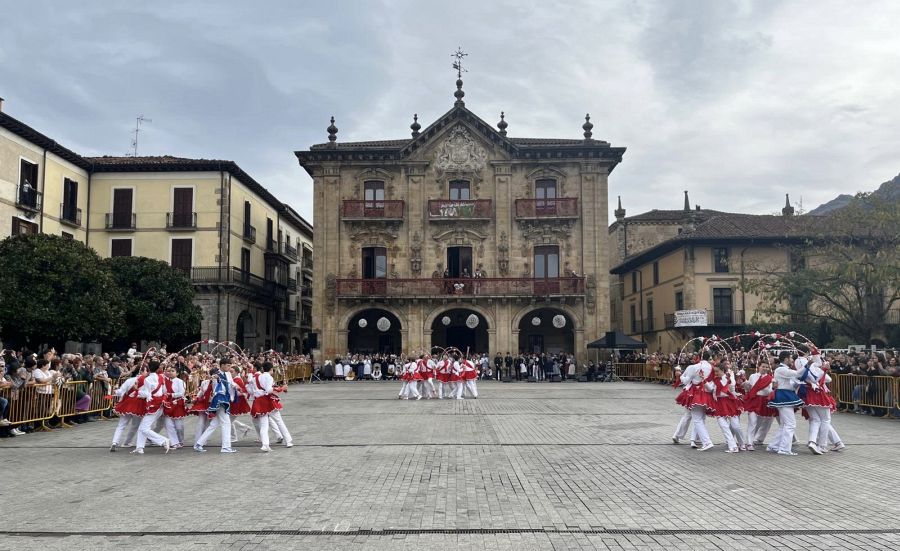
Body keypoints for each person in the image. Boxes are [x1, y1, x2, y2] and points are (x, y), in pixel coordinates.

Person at [767, 351, 805, 456]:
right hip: (783, 396)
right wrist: (807, 365)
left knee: (785, 424)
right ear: (786, 359)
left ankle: (774, 445)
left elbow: (790, 382)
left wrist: (796, 385)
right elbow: (796, 373)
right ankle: (784, 448)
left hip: (785, 395)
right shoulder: (781, 369)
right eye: (791, 358)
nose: (792, 361)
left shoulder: (783, 369)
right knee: (790, 424)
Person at [251, 362, 293, 452]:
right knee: (279, 421)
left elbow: (267, 387)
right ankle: (288, 441)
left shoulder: (259, 376)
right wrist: (282, 388)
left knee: (264, 424)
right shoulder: (269, 377)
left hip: (260, 401)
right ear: (271, 369)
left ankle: (265, 444)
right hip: (267, 401)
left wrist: (280, 388)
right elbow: (269, 390)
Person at [194, 366, 236, 453]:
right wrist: (216, 377)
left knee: (214, 424)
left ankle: (199, 443)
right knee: (226, 423)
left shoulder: (226, 375)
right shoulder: (216, 378)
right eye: (227, 364)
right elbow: (216, 386)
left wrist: (233, 386)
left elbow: (228, 386)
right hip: (220, 400)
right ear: (223, 365)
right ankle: (226, 447)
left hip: (223, 399)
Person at [133, 361, 171, 455]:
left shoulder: (147, 379)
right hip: (161, 404)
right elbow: (165, 391)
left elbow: (146, 394)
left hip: (152, 405)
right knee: (143, 426)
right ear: (158, 368)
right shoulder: (162, 377)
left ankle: (163, 440)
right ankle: (140, 447)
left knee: (144, 428)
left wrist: (136, 388)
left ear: (149, 368)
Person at [162, 366, 188, 449]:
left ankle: (180, 441)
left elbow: (181, 393)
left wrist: (171, 394)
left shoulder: (180, 382)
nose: (170, 372)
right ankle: (174, 442)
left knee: (179, 426)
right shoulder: (164, 382)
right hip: (168, 403)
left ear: (177, 373)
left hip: (177, 404)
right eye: (169, 371)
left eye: (172, 371)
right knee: (169, 425)